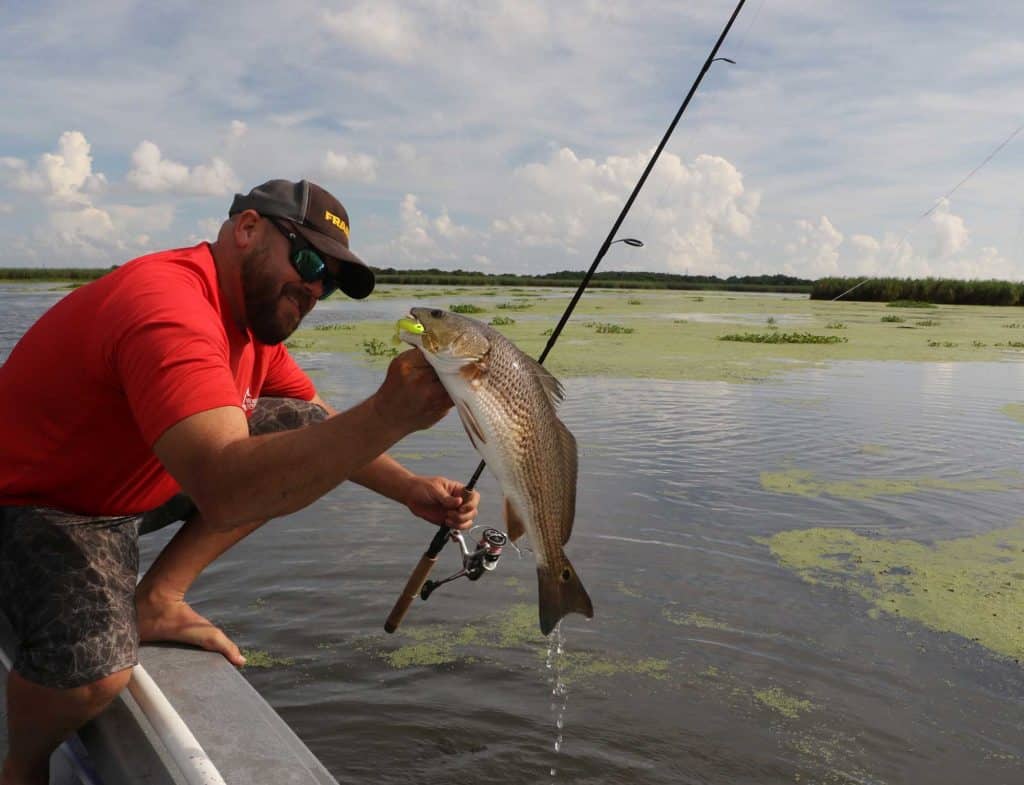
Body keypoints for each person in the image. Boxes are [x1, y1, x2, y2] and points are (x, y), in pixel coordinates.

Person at [0, 179, 480, 785]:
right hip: (36, 500)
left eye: (328, 282)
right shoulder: (169, 305)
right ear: (247, 229)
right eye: (307, 261)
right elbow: (226, 490)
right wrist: (386, 416)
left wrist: (410, 488)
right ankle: (20, 765)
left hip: (125, 485)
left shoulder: (251, 324)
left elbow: (317, 425)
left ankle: (158, 599)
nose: (312, 289)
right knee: (94, 674)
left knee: (298, 431)